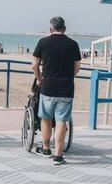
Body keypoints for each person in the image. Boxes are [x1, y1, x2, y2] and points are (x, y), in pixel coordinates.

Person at [32, 16, 81, 165]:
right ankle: (58, 156)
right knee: (61, 121)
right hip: (66, 89)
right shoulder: (73, 44)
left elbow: (34, 65)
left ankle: (46, 149)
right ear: (64, 29)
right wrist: (68, 77)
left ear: (50, 29)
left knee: (45, 118)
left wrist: (40, 79)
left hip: (48, 87)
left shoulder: (43, 42)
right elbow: (77, 67)